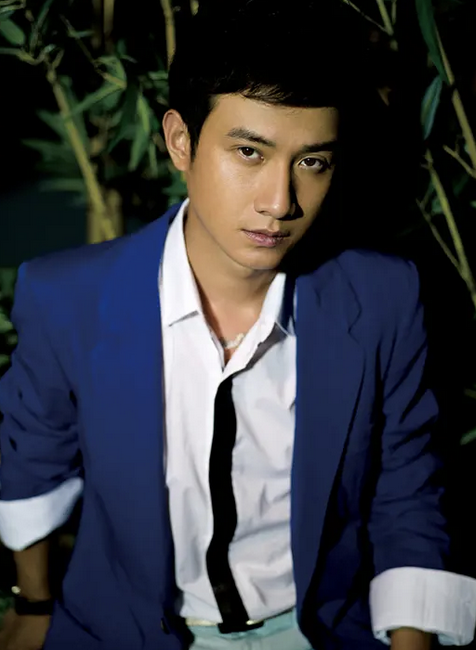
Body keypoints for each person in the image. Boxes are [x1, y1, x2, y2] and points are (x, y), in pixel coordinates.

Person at [0, 1, 475, 649]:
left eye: (312, 162)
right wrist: (33, 602)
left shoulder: (383, 296)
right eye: (249, 152)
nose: (280, 202)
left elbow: (408, 487)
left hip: (319, 629)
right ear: (180, 141)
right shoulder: (68, 298)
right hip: (127, 631)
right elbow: (34, 462)